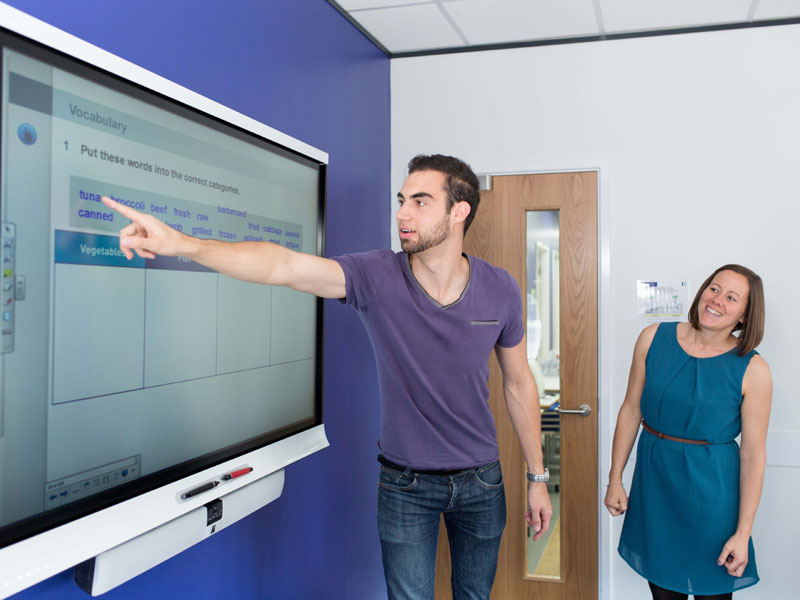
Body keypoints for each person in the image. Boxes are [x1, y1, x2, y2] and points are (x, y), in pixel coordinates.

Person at [102, 154, 553, 600]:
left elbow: (519, 384)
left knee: (474, 596)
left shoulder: (500, 288)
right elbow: (284, 266)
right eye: (401, 200)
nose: (401, 213)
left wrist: (537, 477)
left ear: (459, 212)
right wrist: (184, 244)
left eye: (420, 202)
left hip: (482, 482)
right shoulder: (377, 275)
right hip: (405, 487)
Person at [604, 265, 772, 600]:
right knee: (663, 592)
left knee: (713, 590)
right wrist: (615, 478)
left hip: (714, 498)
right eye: (714, 288)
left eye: (731, 298)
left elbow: (753, 454)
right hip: (656, 487)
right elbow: (631, 409)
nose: (716, 300)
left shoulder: (754, 369)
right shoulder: (652, 338)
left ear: (744, 316)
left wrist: (743, 532)